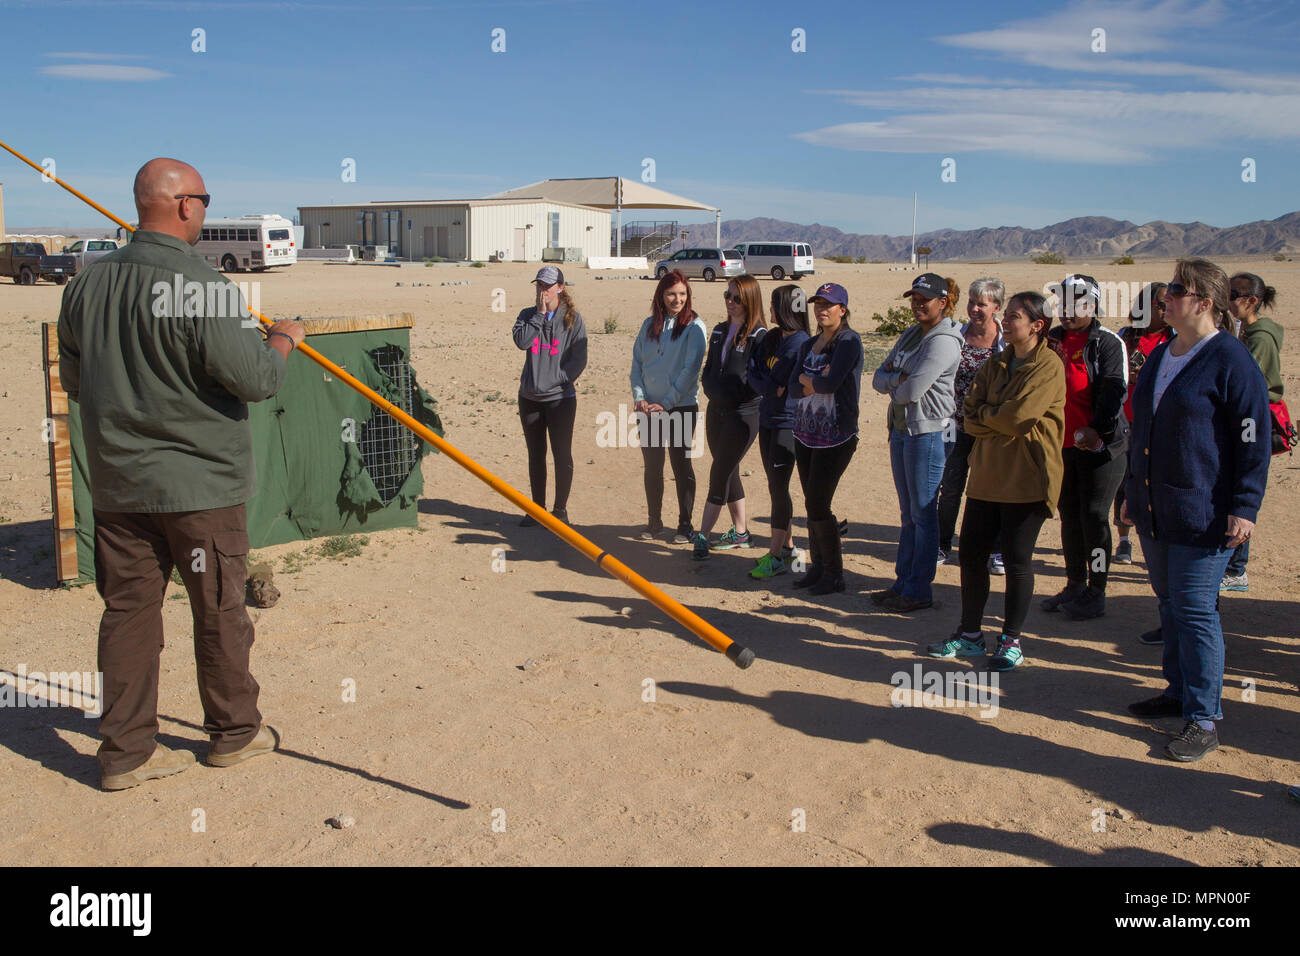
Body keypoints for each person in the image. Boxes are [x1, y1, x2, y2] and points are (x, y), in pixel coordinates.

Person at [57, 158, 303, 790]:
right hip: (199, 489)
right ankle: (234, 735)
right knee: (220, 608)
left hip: (118, 487)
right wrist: (282, 339)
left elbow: (78, 384)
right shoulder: (202, 286)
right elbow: (255, 381)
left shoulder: (85, 284)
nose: (206, 210)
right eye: (205, 199)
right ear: (185, 206)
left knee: (128, 614)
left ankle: (126, 753)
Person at [1123, 258, 1270, 762]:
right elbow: (1141, 428)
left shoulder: (1230, 359)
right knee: (1168, 605)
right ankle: (1178, 692)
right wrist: (1128, 492)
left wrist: (1245, 506)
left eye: (1176, 290)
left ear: (1204, 302)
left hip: (1202, 510)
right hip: (1154, 506)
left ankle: (1203, 717)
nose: (1165, 296)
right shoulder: (1164, 353)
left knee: (1194, 609)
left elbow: (1253, 438)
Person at [928, 291, 1065, 671]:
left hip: (1026, 478)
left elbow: (1018, 419)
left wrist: (992, 416)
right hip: (987, 476)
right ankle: (970, 634)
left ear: (1037, 325)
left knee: (1017, 562)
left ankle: (1012, 640)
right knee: (971, 555)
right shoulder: (996, 362)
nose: (1006, 320)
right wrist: (994, 416)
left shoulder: (1048, 366)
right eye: (1006, 313)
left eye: (1015, 316)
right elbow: (968, 412)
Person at [871, 273, 964, 612]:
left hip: (928, 433)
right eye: (914, 297)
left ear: (944, 302)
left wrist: (895, 383)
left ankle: (918, 590)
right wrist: (897, 379)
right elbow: (878, 378)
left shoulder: (944, 341)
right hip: (902, 430)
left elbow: (912, 391)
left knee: (923, 513)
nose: (918, 304)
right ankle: (903, 583)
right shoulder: (912, 334)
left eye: (925, 298)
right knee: (908, 514)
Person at [1041, 273, 1129, 620]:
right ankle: (1075, 583)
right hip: (1061, 444)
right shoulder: (1051, 340)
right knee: (1069, 515)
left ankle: (1097, 588)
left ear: (1092, 305)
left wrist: (1097, 430)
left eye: (1075, 303)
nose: (1065, 310)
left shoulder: (1107, 343)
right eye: (1061, 302)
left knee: (1094, 516)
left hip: (1101, 448)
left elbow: (1113, 391)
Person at [791, 283, 863, 594]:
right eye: (818, 303)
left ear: (842, 310)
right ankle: (819, 567)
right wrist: (812, 382)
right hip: (805, 432)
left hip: (835, 436)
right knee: (811, 503)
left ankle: (834, 573)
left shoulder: (849, 341)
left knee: (819, 501)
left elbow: (831, 383)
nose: (822, 309)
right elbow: (794, 387)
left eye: (829, 305)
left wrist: (812, 381)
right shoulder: (809, 343)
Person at [691, 274, 767, 559]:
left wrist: (736, 393)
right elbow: (709, 368)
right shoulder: (720, 331)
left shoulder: (759, 337)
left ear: (749, 300)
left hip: (743, 415)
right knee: (729, 468)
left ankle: (702, 535)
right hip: (716, 412)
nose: (730, 302)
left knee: (719, 472)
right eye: (727, 296)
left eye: (737, 298)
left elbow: (757, 379)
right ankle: (741, 532)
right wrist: (712, 389)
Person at [631, 270, 708, 542]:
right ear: (661, 296)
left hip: (680, 407)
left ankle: (685, 525)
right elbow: (637, 364)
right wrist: (640, 397)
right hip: (649, 409)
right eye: (671, 293)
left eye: (682, 294)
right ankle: (654, 523)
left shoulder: (694, 327)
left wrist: (666, 403)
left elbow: (690, 370)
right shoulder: (648, 325)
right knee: (653, 466)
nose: (677, 299)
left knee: (680, 465)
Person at [937, 277, 1005, 570]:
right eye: (972, 302)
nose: (975, 309)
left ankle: (995, 550)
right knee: (950, 485)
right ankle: (941, 545)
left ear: (997, 307)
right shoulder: (956, 334)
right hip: (953, 424)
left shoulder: (1005, 342)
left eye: (983, 304)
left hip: (990, 429)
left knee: (991, 487)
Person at [512, 266, 587, 526]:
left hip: (560, 400)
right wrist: (539, 316)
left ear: (560, 287)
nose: (542, 290)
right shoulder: (526, 315)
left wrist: (558, 380)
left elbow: (579, 359)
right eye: (539, 285)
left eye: (547, 286)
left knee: (561, 454)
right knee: (536, 454)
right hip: (530, 397)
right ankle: (537, 509)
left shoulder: (573, 320)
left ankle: (560, 511)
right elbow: (522, 342)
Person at [1221, 272, 1282, 592]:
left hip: (1252, 422)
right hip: (1245, 420)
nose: (1228, 300)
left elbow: (1249, 382)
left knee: (1240, 492)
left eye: (1233, 295)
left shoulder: (1260, 336)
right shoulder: (1248, 330)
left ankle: (1236, 567)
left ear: (1252, 300)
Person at [747, 283, 812, 579]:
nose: (769, 311)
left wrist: (771, 384)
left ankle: (774, 556)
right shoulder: (772, 338)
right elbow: (755, 374)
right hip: (767, 419)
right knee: (776, 486)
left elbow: (783, 382)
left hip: (788, 422)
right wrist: (770, 386)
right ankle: (787, 547)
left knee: (779, 487)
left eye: (773, 305)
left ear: (785, 309)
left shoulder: (800, 343)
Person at [1113, 283, 1170, 570]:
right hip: (1126, 418)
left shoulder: (1174, 339)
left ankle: (1156, 540)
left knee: (1156, 480)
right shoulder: (1127, 336)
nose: (1162, 309)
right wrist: (1129, 376)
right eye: (1157, 304)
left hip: (1158, 421)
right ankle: (1123, 540)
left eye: (1165, 304)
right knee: (1124, 480)